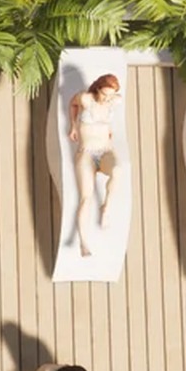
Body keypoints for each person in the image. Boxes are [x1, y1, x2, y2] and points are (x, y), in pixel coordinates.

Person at [66, 74, 126, 256]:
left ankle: (106, 206)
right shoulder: (85, 98)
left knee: (118, 170)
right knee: (86, 196)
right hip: (87, 153)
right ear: (97, 88)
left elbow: (114, 100)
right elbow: (73, 104)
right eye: (104, 95)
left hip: (105, 150)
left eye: (111, 96)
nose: (107, 99)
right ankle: (83, 242)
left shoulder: (115, 101)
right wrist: (74, 126)